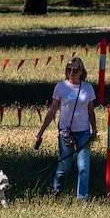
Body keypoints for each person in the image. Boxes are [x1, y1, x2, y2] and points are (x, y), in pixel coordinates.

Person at [35, 57, 98, 200]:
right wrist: (41, 132)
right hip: (65, 131)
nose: (72, 73)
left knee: (83, 167)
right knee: (64, 166)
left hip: (83, 132)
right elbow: (52, 111)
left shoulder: (87, 88)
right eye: (69, 70)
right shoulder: (60, 87)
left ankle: (82, 197)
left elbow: (91, 111)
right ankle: (57, 191)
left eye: (75, 70)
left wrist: (94, 130)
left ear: (81, 72)